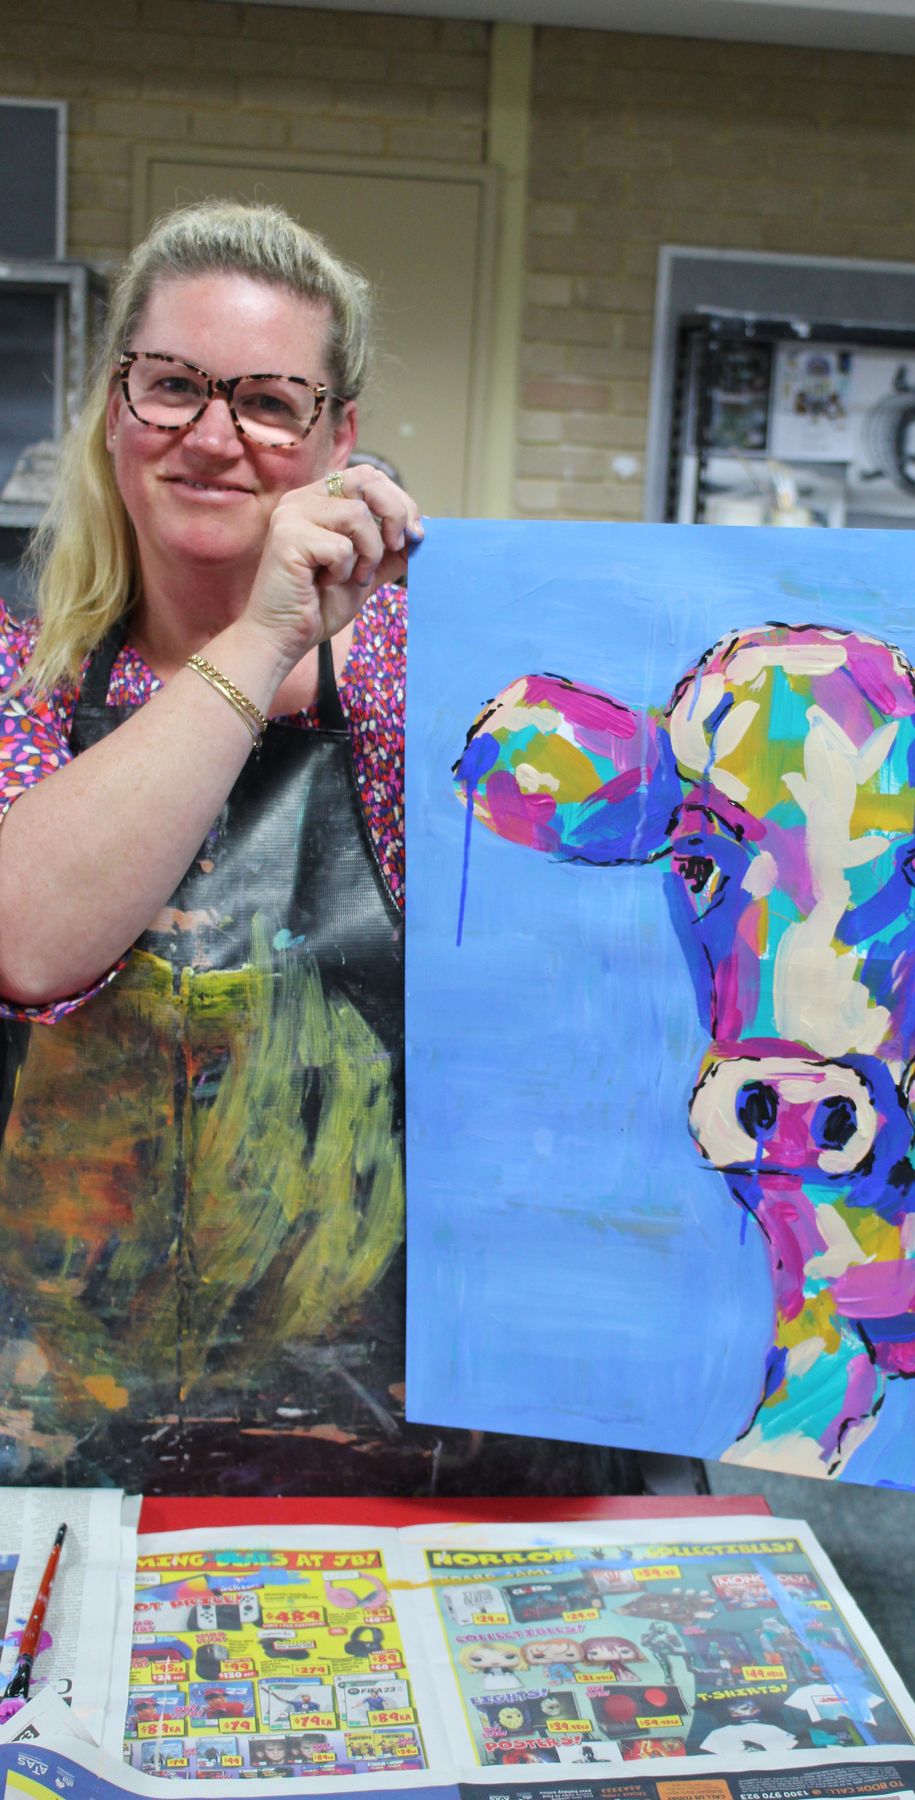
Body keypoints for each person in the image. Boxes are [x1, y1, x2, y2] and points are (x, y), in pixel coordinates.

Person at [0, 198, 639, 1497]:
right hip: (91, 1412)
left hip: (428, 1410)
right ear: (115, 407)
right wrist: (261, 640)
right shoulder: (27, 686)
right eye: (172, 385)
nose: (213, 435)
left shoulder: (449, 674)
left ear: (338, 439)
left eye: (268, 402)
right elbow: (29, 942)